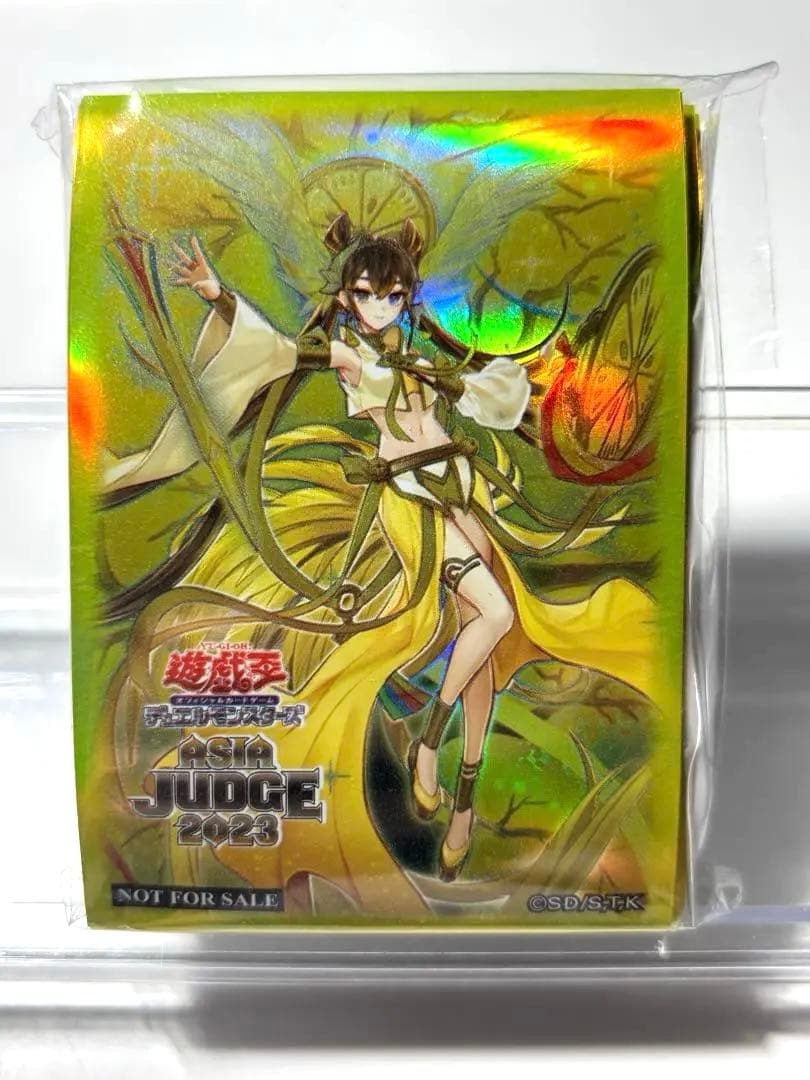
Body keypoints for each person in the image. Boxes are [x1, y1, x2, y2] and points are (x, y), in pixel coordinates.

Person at [104, 215, 658, 913]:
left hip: (461, 493)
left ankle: (462, 804)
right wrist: (218, 296)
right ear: (346, 298)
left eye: (391, 296)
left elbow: (491, 395)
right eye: (365, 294)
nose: (378, 306)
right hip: (410, 503)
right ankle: (429, 740)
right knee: (494, 613)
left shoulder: (420, 352)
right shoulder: (349, 357)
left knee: (491, 648)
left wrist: (550, 400)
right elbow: (277, 350)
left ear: (407, 297)